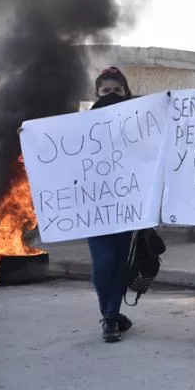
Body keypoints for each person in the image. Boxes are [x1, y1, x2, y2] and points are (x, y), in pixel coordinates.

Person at [86, 66, 137, 343]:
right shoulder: (80, 125)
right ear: (97, 94)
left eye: (117, 91)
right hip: (95, 205)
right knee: (103, 263)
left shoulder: (139, 123)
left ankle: (110, 317)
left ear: (126, 92)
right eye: (106, 91)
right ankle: (110, 314)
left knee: (120, 264)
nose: (111, 95)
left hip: (127, 205)